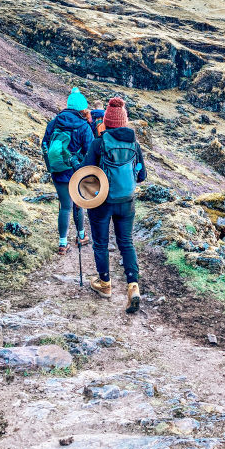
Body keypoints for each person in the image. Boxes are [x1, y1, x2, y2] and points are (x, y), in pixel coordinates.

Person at [80, 97, 146, 313]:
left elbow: (86, 173)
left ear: (106, 122)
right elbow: (142, 175)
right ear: (124, 123)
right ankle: (133, 286)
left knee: (100, 243)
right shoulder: (134, 144)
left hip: (102, 201)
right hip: (127, 201)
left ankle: (105, 284)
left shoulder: (98, 144)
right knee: (126, 242)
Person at [42, 88, 94, 254]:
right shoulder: (84, 126)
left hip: (58, 170)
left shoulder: (55, 121)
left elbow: (44, 144)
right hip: (76, 171)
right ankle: (81, 235)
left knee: (65, 206)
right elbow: (90, 151)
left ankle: (62, 243)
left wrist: (50, 164)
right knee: (78, 205)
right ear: (82, 108)